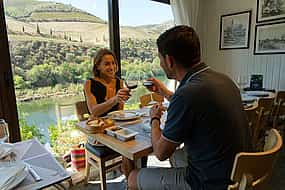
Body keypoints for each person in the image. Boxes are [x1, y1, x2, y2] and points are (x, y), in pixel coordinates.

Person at [127, 25, 252, 190]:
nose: (161, 64)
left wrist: (154, 118)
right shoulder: (223, 80)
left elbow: (160, 153)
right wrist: (164, 92)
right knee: (177, 156)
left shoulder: (187, 94)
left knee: (133, 177)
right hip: (238, 172)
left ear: (169, 61)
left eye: (160, 59)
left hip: (210, 182)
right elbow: (192, 104)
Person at [84, 48, 130, 117]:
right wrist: (115, 99)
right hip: (98, 125)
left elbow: (120, 111)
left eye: (113, 63)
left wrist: (123, 99)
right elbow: (94, 111)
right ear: (98, 66)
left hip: (115, 124)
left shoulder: (119, 82)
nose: (112, 67)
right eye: (107, 64)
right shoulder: (89, 83)